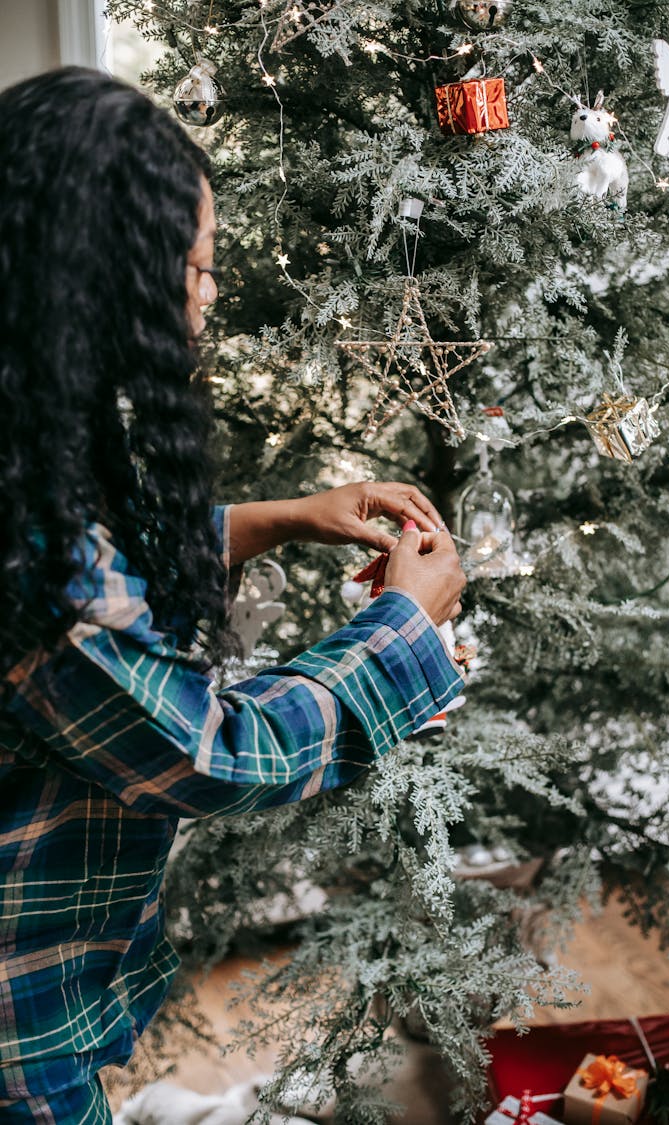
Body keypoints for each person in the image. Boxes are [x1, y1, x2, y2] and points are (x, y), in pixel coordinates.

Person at [0, 67, 466, 1123]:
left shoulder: (26, 447)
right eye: (196, 268)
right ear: (100, 281)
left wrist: (273, 516)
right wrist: (404, 627)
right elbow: (219, 758)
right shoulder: (31, 556)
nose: (210, 294)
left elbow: (96, 596)